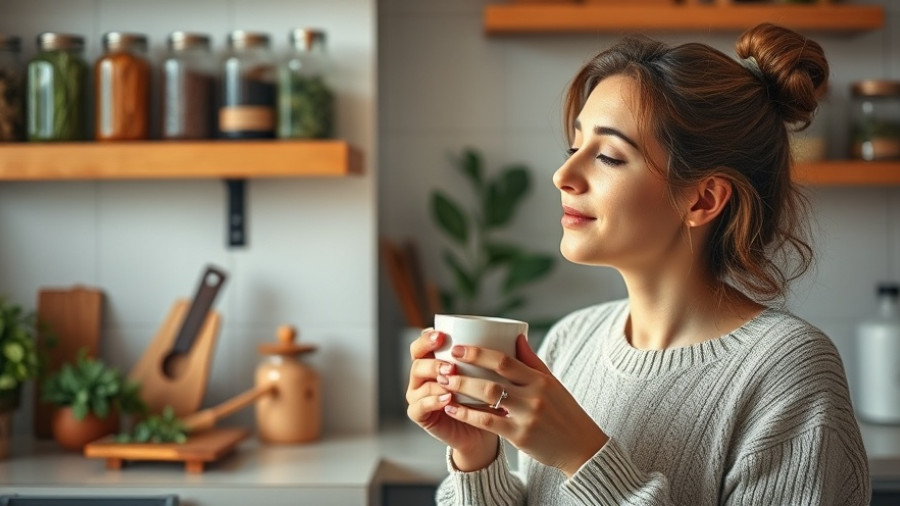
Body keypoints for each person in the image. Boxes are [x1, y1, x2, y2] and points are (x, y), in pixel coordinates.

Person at [406, 22, 870, 505]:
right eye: (574, 147)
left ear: (702, 199)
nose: (563, 174)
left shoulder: (788, 372)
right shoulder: (571, 339)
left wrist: (585, 458)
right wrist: (476, 456)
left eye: (607, 156)